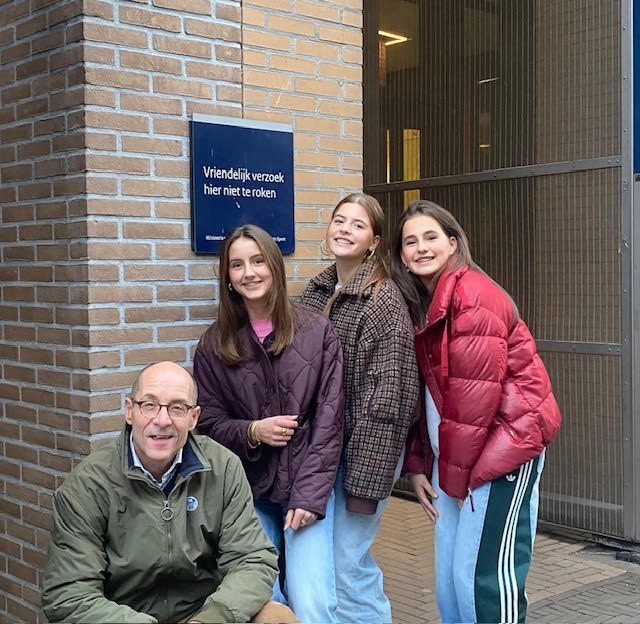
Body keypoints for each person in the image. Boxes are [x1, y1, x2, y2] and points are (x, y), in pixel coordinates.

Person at [391, 199, 562, 624]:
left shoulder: (472, 296)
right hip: (458, 461)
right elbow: (427, 396)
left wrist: (454, 481)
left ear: (453, 243)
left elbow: (474, 402)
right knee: (451, 583)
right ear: (402, 256)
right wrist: (420, 466)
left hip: (503, 450)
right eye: (410, 242)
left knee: (483, 581)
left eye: (431, 237)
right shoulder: (424, 303)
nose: (421, 248)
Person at [41, 361, 294, 624]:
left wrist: (211, 617)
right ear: (129, 410)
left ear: (193, 417)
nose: (162, 421)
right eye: (149, 405)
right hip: (122, 616)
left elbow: (252, 559)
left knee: (277, 617)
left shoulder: (223, 467)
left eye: (177, 408)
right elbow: (69, 594)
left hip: (204, 612)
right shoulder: (88, 485)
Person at [193, 225, 344, 623]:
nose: (249, 273)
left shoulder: (316, 330)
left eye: (258, 261)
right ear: (227, 276)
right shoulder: (213, 345)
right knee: (264, 600)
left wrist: (309, 497)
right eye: (237, 265)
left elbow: (330, 419)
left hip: (307, 485)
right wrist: (252, 431)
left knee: (313, 600)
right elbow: (208, 424)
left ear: (274, 265)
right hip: (248, 490)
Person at [301, 192, 420, 623]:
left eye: (357, 224)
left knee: (348, 566)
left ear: (374, 241)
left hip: (363, 453)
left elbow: (389, 399)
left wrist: (364, 486)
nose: (345, 230)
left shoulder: (382, 300)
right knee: (328, 566)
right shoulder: (317, 290)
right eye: (339, 220)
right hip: (323, 452)